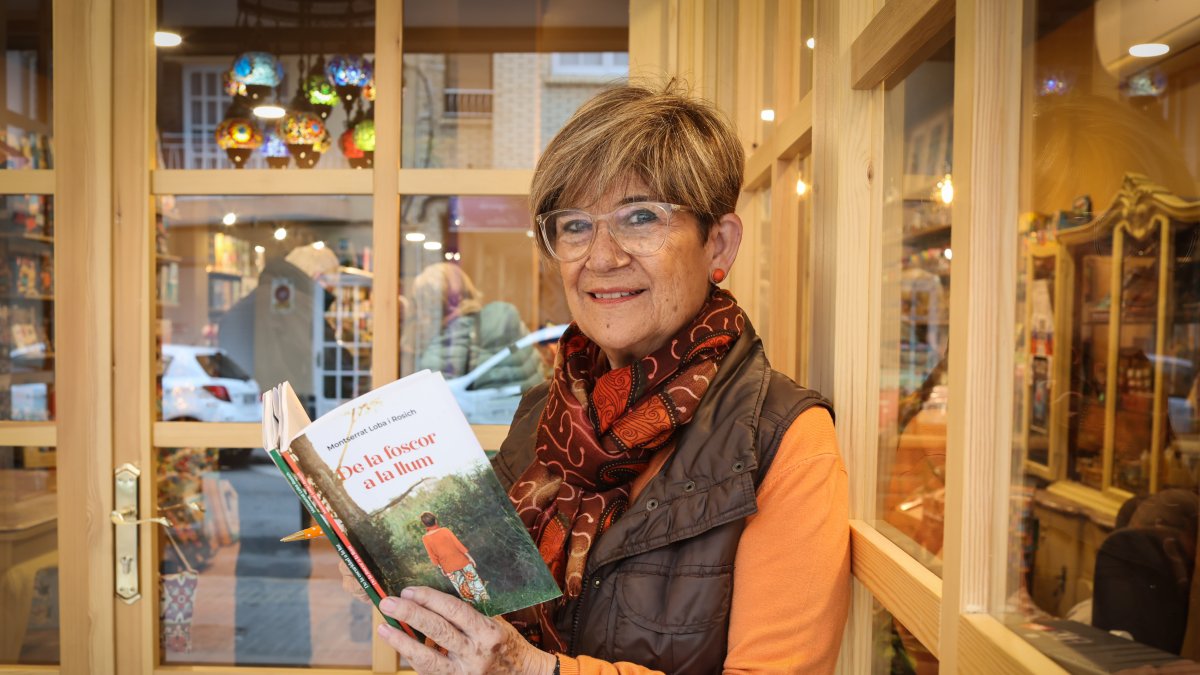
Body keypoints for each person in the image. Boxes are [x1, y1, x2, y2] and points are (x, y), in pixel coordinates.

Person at [345, 81, 851, 673]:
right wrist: (419, 599)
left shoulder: (784, 441)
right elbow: (492, 609)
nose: (602, 257)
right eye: (575, 225)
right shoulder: (544, 408)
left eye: (641, 217)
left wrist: (530, 669)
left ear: (719, 241)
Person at [402, 262, 544, 391]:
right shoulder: (511, 324)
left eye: (419, 302)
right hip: (524, 417)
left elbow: (436, 405)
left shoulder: (447, 343)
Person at [419, 512, 491, 605]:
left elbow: (432, 556)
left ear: (424, 524)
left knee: (462, 589)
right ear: (435, 520)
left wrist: (441, 568)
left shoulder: (425, 538)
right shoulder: (445, 530)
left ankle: (477, 609)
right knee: (475, 583)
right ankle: (487, 605)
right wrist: (469, 557)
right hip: (462, 561)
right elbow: (458, 544)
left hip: (448, 567)